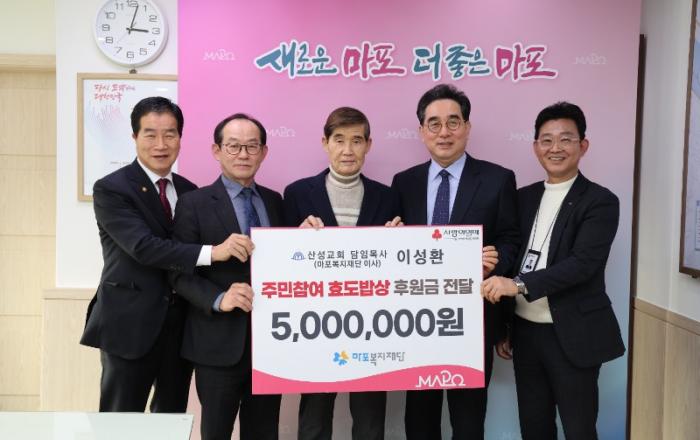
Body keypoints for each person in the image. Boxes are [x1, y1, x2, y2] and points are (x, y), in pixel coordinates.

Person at [80, 97, 241, 413]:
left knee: (171, 418)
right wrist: (215, 252)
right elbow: (143, 247)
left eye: (170, 134)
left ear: (180, 137)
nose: (161, 144)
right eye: (150, 134)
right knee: (120, 421)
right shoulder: (112, 189)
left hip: (181, 326)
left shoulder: (189, 190)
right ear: (134, 137)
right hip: (129, 324)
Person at [481, 102, 625, 440]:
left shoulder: (600, 201)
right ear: (535, 147)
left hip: (573, 334)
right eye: (546, 140)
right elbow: (513, 253)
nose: (555, 148)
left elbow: (582, 265)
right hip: (526, 334)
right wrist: (505, 325)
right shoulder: (523, 198)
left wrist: (517, 285)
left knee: (579, 429)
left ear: (583, 145)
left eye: (566, 139)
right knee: (534, 428)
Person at [391, 84, 520, 439]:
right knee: (419, 421)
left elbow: (511, 240)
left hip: (473, 323)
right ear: (422, 131)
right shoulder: (404, 183)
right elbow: (393, 246)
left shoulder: (498, 179)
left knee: (468, 422)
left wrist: (494, 262)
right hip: (416, 323)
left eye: (453, 122)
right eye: (434, 123)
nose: (444, 132)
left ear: (467, 127)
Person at [283, 107, 400, 440]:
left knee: (370, 422)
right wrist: (294, 240)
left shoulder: (387, 196)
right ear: (325, 143)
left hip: (372, 327)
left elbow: (397, 268)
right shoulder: (297, 193)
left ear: (368, 145)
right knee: (314, 421)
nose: (348, 150)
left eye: (357, 140)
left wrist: (398, 242)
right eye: (339, 140)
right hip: (317, 325)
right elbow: (282, 265)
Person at [169, 113, 282, 440]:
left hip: (271, 345)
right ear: (216, 151)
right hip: (216, 346)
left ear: (264, 152)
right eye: (233, 146)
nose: (243, 154)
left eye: (252, 146)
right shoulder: (193, 203)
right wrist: (219, 299)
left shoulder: (275, 201)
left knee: (264, 433)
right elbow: (178, 273)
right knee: (216, 433)